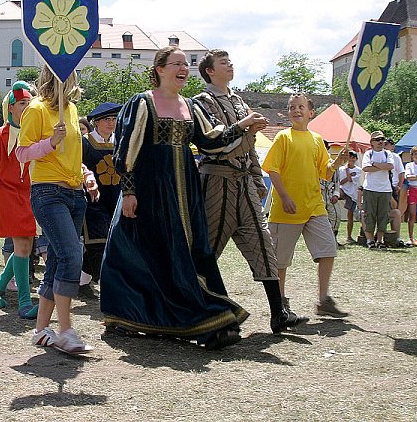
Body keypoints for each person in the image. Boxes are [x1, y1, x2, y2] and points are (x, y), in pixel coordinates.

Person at [101, 47, 266, 349]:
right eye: (176, 63)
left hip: (184, 191)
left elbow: (210, 141)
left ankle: (196, 316)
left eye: (185, 64)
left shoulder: (189, 106)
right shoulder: (143, 102)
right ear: (160, 69)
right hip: (150, 190)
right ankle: (132, 315)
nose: (183, 69)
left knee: (186, 251)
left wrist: (242, 126)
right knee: (143, 253)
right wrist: (128, 191)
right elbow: (126, 150)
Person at [194, 49, 308, 333]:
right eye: (223, 63)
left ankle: (278, 312)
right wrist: (246, 128)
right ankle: (197, 312)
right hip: (216, 182)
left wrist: (257, 181)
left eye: (230, 61)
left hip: (244, 182)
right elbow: (215, 143)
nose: (230, 65)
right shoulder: (201, 102)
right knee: (206, 251)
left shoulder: (239, 101)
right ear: (210, 70)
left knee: (263, 243)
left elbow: (251, 149)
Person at [16, 67, 99, 353]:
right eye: (67, 73)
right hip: (48, 192)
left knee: (56, 260)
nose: (72, 79)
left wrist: (86, 174)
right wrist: (50, 142)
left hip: (75, 193)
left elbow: (72, 154)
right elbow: (22, 153)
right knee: (71, 255)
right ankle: (66, 330)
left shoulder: (73, 110)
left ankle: (41, 330)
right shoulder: (35, 109)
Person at [261, 93, 349, 318]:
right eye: (292, 107)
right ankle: (280, 303)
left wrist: (337, 163)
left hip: (314, 207)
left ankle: (323, 300)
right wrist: (285, 197)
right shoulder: (283, 137)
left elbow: (326, 172)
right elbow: (272, 169)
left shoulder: (317, 140)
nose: (296, 110)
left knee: (328, 250)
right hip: (286, 210)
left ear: (311, 113)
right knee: (281, 261)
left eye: (301, 107)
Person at [0, 83, 39, 318]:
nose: (26, 107)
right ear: (11, 108)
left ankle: (1, 282)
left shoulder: (36, 131)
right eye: (22, 103)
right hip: (8, 195)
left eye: (29, 103)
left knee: (26, 246)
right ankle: (24, 302)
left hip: (32, 194)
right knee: (23, 246)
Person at [80, 102, 122, 285]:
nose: (111, 123)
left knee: (111, 243)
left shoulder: (120, 143)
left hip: (116, 199)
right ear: (96, 122)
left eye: (114, 119)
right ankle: (107, 283)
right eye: (106, 119)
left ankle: (82, 282)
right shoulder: (85, 143)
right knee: (97, 243)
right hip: (93, 200)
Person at [361, 131, 394, 249]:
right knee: (369, 215)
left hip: (385, 189)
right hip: (370, 188)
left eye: (382, 139)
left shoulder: (387, 153)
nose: (380, 142)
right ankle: (370, 240)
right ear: (372, 143)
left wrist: (374, 164)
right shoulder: (368, 154)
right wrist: (381, 166)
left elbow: (390, 166)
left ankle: (380, 240)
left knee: (383, 216)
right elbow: (365, 168)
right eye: (377, 140)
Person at [337, 151, 362, 243]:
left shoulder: (358, 170)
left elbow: (351, 180)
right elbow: (340, 182)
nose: (351, 159)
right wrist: (348, 175)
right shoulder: (341, 169)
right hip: (343, 191)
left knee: (350, 215)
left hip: (352, 194)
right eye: (350, 157)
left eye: (353, 157)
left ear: (356, 159)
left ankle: (349, 236)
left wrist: (348, 171)